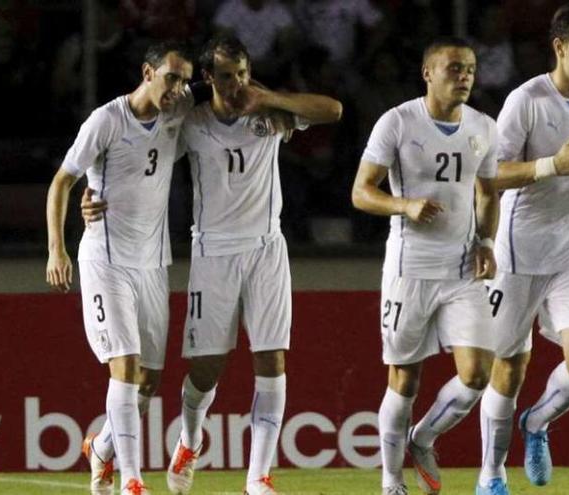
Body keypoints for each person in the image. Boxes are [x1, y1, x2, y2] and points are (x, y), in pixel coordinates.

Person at [165, 34, 342, 495]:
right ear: (208, 78)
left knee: (271, 357)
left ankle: (257, 477)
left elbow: (334, 111)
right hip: (213, 252)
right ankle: (189, 439)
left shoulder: (270, 113)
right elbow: (148, 156)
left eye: (242, 73)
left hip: (267, 247)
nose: (237, 83)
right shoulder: (192, 122)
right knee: (207, 368)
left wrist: (270, 96)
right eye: (226, 76)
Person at [46, 41, 207, 495]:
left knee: (148, 383)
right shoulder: (107, 120)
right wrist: (57, 250)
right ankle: (132, 481)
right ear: (147, 72)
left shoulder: (180, 108)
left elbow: (228, 88)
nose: (178, 87)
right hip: (107, 260)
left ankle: (101, 449)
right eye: (171, 77)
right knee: (127, 365)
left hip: (153, 264)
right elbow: (63, 182)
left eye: (184, 79)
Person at [475, 4, 569, 494]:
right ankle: (491, 476)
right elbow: (491, 175)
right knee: (509, 367)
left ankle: (536, 424)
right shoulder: (527, 100)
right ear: (560, 48)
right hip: (517, 254)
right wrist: (551, 167)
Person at [351, 37, 500, 495]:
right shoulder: (397, 122)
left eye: (470, 69)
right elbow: (361, 191)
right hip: (409, 269)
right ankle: (391, 482)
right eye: (454, 68)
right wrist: (404, 205)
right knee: (405, 377)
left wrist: (486, 240)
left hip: (461, 269)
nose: (464, 76)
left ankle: (425, 436)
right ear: (428, 73)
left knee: (477, 374)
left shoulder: (483, 127)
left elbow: (488, 191)